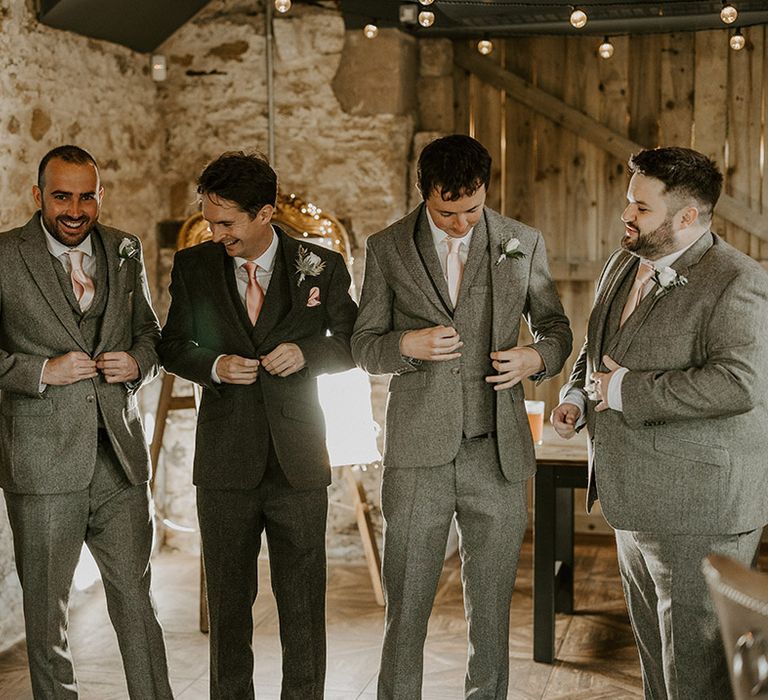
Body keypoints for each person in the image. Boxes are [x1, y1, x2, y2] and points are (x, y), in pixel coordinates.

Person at [351, 134, 572, 699]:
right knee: (406, 605)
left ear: (485, 191)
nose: (461, 224)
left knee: (493, 611)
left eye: (472, 210)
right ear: (423, 192)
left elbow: (556, 330)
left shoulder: (521, 241)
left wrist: (534, 357)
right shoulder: (386, 247)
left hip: (497, 453)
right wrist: (407, 345)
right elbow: (364, 346)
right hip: (418, 455)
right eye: (447, 212)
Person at [552, 146, 768, 699]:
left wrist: (619, 389)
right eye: (629, 201)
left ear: (687, 217)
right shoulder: (623, 261)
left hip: (701, 507)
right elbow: (596, 345)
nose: (627, 214)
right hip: (632, 498)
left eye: (641, 208)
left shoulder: (737, 280)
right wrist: (578, 391)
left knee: (696, 674)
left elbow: (738, 383)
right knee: (657, 663)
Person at [159, 151, 357, 700]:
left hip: (298, 462)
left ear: (265, 212)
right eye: (210, 219)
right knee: (227, 607)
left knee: (303, 605)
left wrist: (307, 354)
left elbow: (350, 342)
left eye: (227, 223)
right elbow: (172, 346)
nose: (216, 232)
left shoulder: (323, 266)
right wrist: (214, 365)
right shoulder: (195, 267)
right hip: (225, 462)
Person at [0, 145, 172, 699]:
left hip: (119, 457)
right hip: (42, 462)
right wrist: (42, 370)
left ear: (100, 195)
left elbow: (149, 333)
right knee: (47, 617)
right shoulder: (4, 255)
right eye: (62, 196)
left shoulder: (125, 248)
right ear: (38, 196)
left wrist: (139, 363)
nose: (75, 209)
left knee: (136, 600)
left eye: (87, 196)